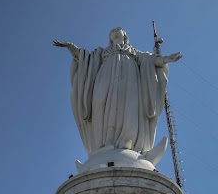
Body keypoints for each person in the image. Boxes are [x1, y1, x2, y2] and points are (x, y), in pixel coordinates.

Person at [53, 29, 183, 159]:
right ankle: (104, 143)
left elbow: (150, 60)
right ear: (109, 37)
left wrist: (166, 59)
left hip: (129, 76)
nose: (115, 32)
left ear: (124, 35)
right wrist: (71, 47)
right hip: (105, 76)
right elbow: (84, 59)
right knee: (100, 103)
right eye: (112, 31)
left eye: (118, 30)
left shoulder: (133, 52)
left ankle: (127, 140)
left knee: (128, 104)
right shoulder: (101, 53)